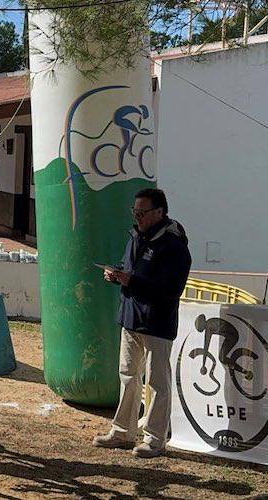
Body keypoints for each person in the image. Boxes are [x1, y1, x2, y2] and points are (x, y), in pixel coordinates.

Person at [92, 188, 191, 458]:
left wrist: (131, 281)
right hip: (131, 318)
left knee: (157, 383)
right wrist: (116, 275)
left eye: (142, 213)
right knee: (128, 376)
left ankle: (155, 439)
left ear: (159, 212)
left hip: (157, 323)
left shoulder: (173, 245)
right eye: (134, 212)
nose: (137, 217)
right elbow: (129, 267)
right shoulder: (136, 235)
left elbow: (171, 288)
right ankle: (122, 432)